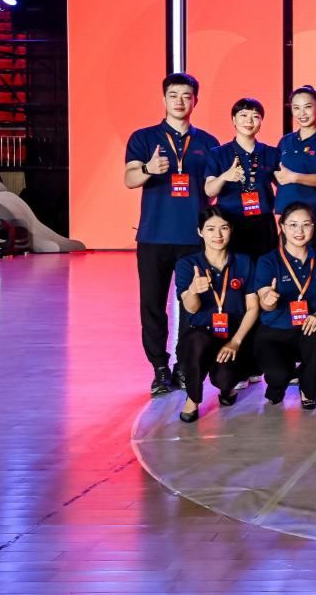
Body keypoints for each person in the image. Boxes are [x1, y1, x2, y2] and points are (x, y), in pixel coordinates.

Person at [124, 72, 220, 397]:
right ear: (164, 99)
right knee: (152, 305)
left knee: (192, 304)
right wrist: (148, 169)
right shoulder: (144, 137)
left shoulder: (208, 142)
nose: (180, 101)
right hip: (153, 237)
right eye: (174, 95)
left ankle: (183, 364)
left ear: (196, 101)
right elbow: (129, 178)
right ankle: (159, 368)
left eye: (186, 96)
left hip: (193, 239)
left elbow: (212, 188)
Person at [173, 207, 259, 422]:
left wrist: (236, 342)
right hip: (201, 332)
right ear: (200, 232)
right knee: (197, 342)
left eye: (224, 228)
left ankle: (227, 388)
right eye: (210, 229)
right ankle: (193, 399)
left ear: (231, 230)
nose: (218, 235)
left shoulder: (244, 262)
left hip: (233, 335)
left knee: (225, 378)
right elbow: (191, 308)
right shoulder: (187, 264)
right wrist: (193, 290)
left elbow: (252, 307)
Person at [252, 204, 316, 410]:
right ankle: (279, 382)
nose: (300, 231)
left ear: (313, 227)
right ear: (282, 227)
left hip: (308, 327)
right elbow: (264, 303)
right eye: (293, 225)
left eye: (306, 224)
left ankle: (308, 388)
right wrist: (268, 300)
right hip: (275, 330)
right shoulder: (268, 261)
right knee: (279, 375)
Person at [205, 98, 281, 259]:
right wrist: (224, 177)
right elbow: (209, 191)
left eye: (255, 116)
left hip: (263, 223)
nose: (249, 121)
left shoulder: (272, 153)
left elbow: (283, 185)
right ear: (234, 119)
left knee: (264, 269)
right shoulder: (218, 153)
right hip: (230, 223)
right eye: (243, 115)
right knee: (234, 271)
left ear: (261, 122)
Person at [275, 86, 316, 260]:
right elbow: (278, 175)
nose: (302, 113)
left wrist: (293, 177)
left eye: (308, 107)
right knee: (287, 269)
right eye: (296, 108)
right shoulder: (285, 141)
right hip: (290, 221)